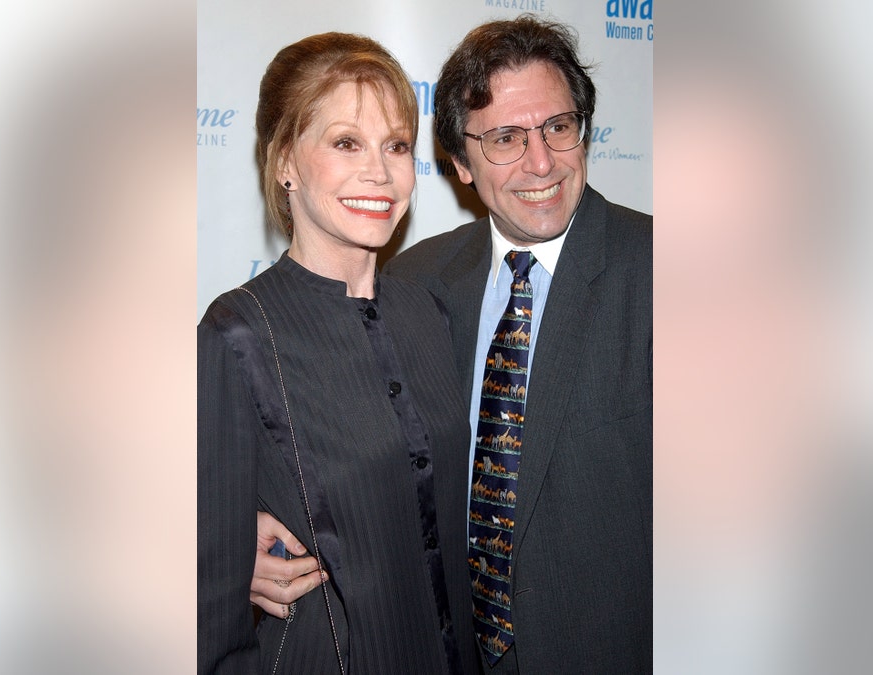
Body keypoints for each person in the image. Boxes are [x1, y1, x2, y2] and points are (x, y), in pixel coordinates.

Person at [253, 16, 652, 674]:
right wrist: (233, 537)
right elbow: (340, 454)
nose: (542, 160)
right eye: (505, 138)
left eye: (558, 126)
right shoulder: (414, 285)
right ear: (461, 164)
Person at [198, 32, 479, 674]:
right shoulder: (237, 332)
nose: (379, 172)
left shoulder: (427, 312)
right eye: (346, 142)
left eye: (396, 146)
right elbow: (210, 621)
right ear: (284, 162)